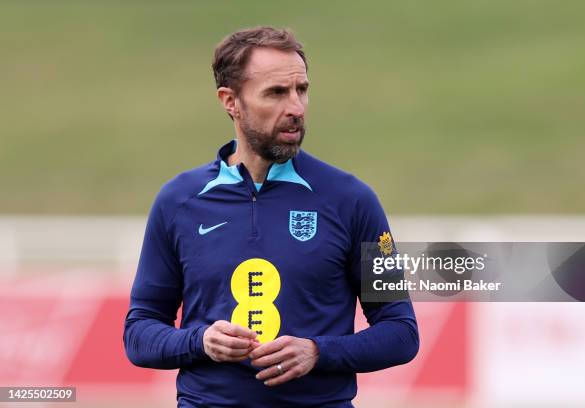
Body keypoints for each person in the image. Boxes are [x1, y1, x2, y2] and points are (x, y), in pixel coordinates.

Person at [123, 26, 419, 407]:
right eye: (277, 93)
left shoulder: (351, 200)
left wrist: (318, 351)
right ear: (230, 101)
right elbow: (139, 334)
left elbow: (400, 332)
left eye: (302, 90)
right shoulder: (178, 201)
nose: (295, 107)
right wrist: (199, 341)